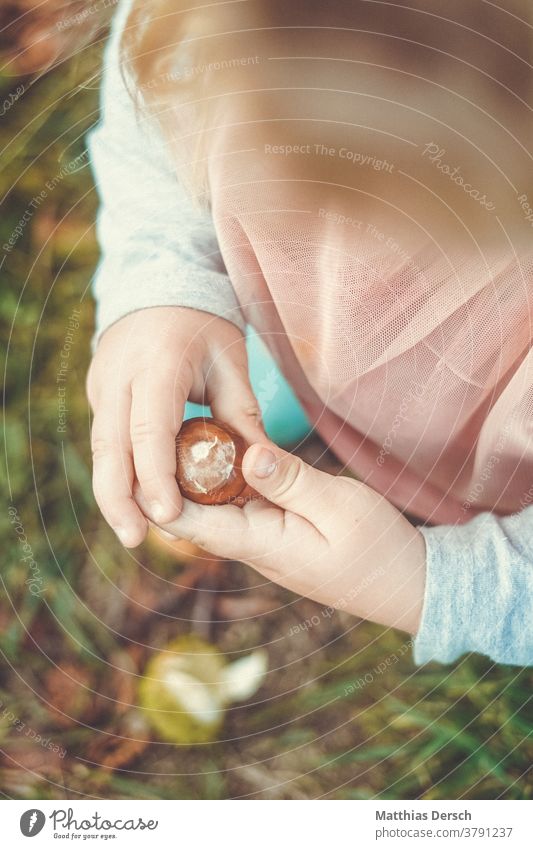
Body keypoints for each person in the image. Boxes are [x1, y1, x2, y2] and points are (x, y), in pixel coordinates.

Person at [86, 0, 533, 666]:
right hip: (305, 332)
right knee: (223, 379)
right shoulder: (210, 28)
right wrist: (164, 289)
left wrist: (430, 581)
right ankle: (283, 376)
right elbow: (149, 119)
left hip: (488, 404)